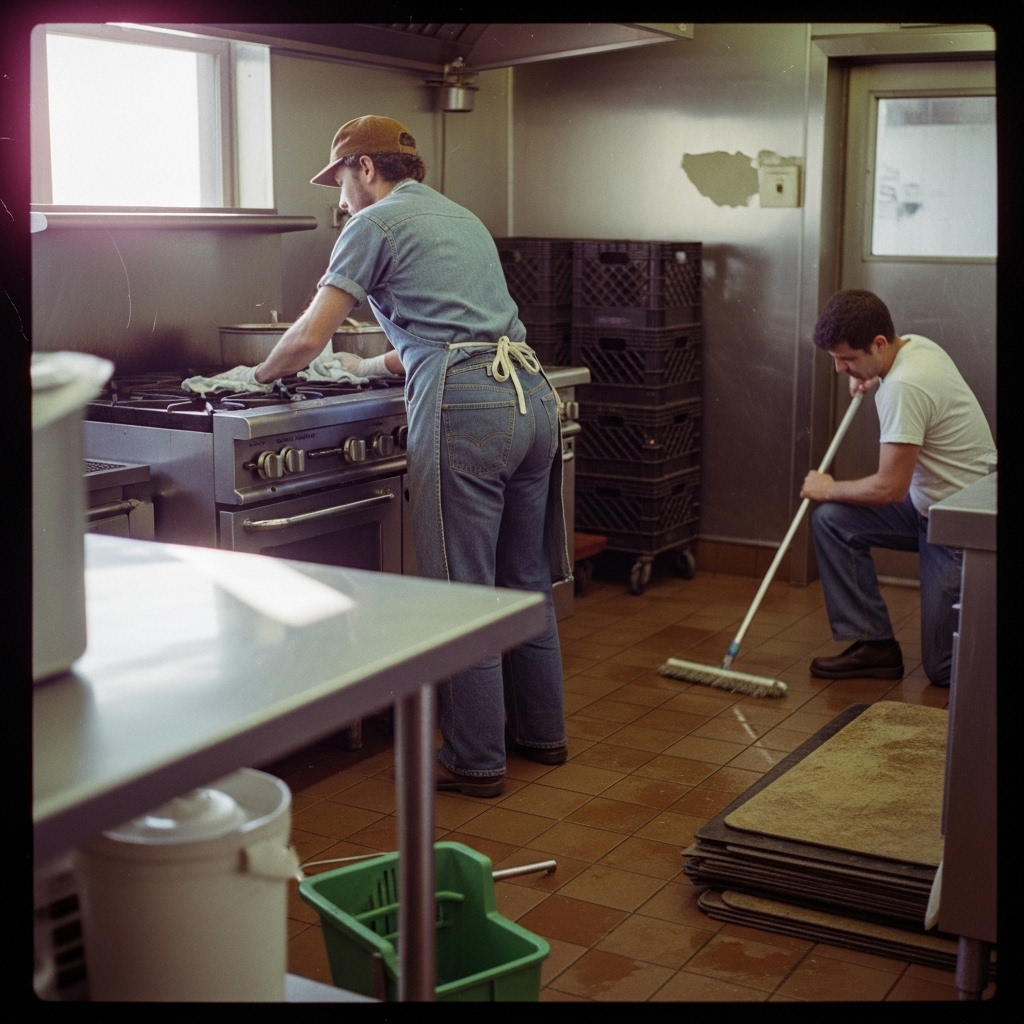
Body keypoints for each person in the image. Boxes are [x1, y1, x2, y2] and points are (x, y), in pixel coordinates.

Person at [244, 115, 570, 796]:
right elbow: (452, 331)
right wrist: (366, 370)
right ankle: (541, 733)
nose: (338, 200)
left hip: (468, 412)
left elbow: (307, 337)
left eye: (339, 181)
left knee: (460, 594)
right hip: (530, 397)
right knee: (525, 578)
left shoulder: (375, 223)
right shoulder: (460, 217)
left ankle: (476, 759)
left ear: (364, 167)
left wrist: (257, 377)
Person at [799, 289, 996, 688]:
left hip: (958, 529)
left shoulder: (905, 385)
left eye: (848, 359)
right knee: (833, 522)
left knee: (944, 669)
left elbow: (889, 488)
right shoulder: (914, 347)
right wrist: (872, 374)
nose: (840, 369)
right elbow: (899, 381)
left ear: (879, 344)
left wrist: (828, 486)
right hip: (928, 508)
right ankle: (875, 646)